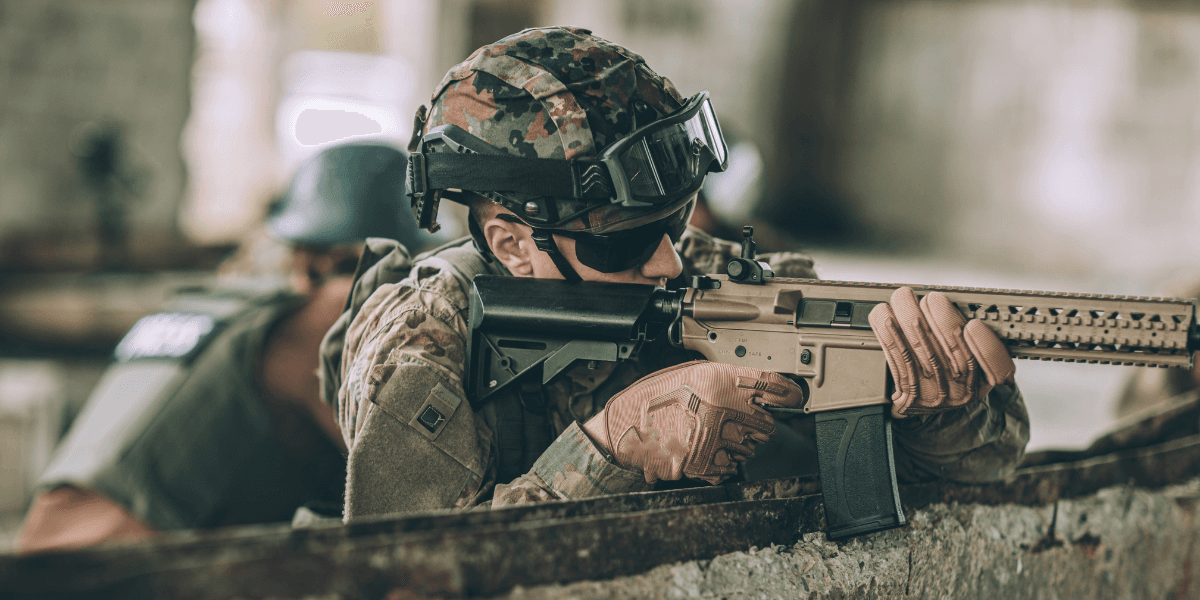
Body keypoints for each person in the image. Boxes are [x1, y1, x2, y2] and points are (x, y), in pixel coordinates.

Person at [323, 27, 1030, 519]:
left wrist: (936, 408)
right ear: (512, 244)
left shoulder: (725, 285)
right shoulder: (422, 339)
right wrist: (611, 446)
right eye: (624, 243)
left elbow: (985, 469)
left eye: (680, 220)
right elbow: (403, 575)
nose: (669, 260)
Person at [17, 142, 418, 552]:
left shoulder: (212, 303)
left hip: (39, 561)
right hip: (115, 573)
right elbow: (416, 486)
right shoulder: (327, 320)